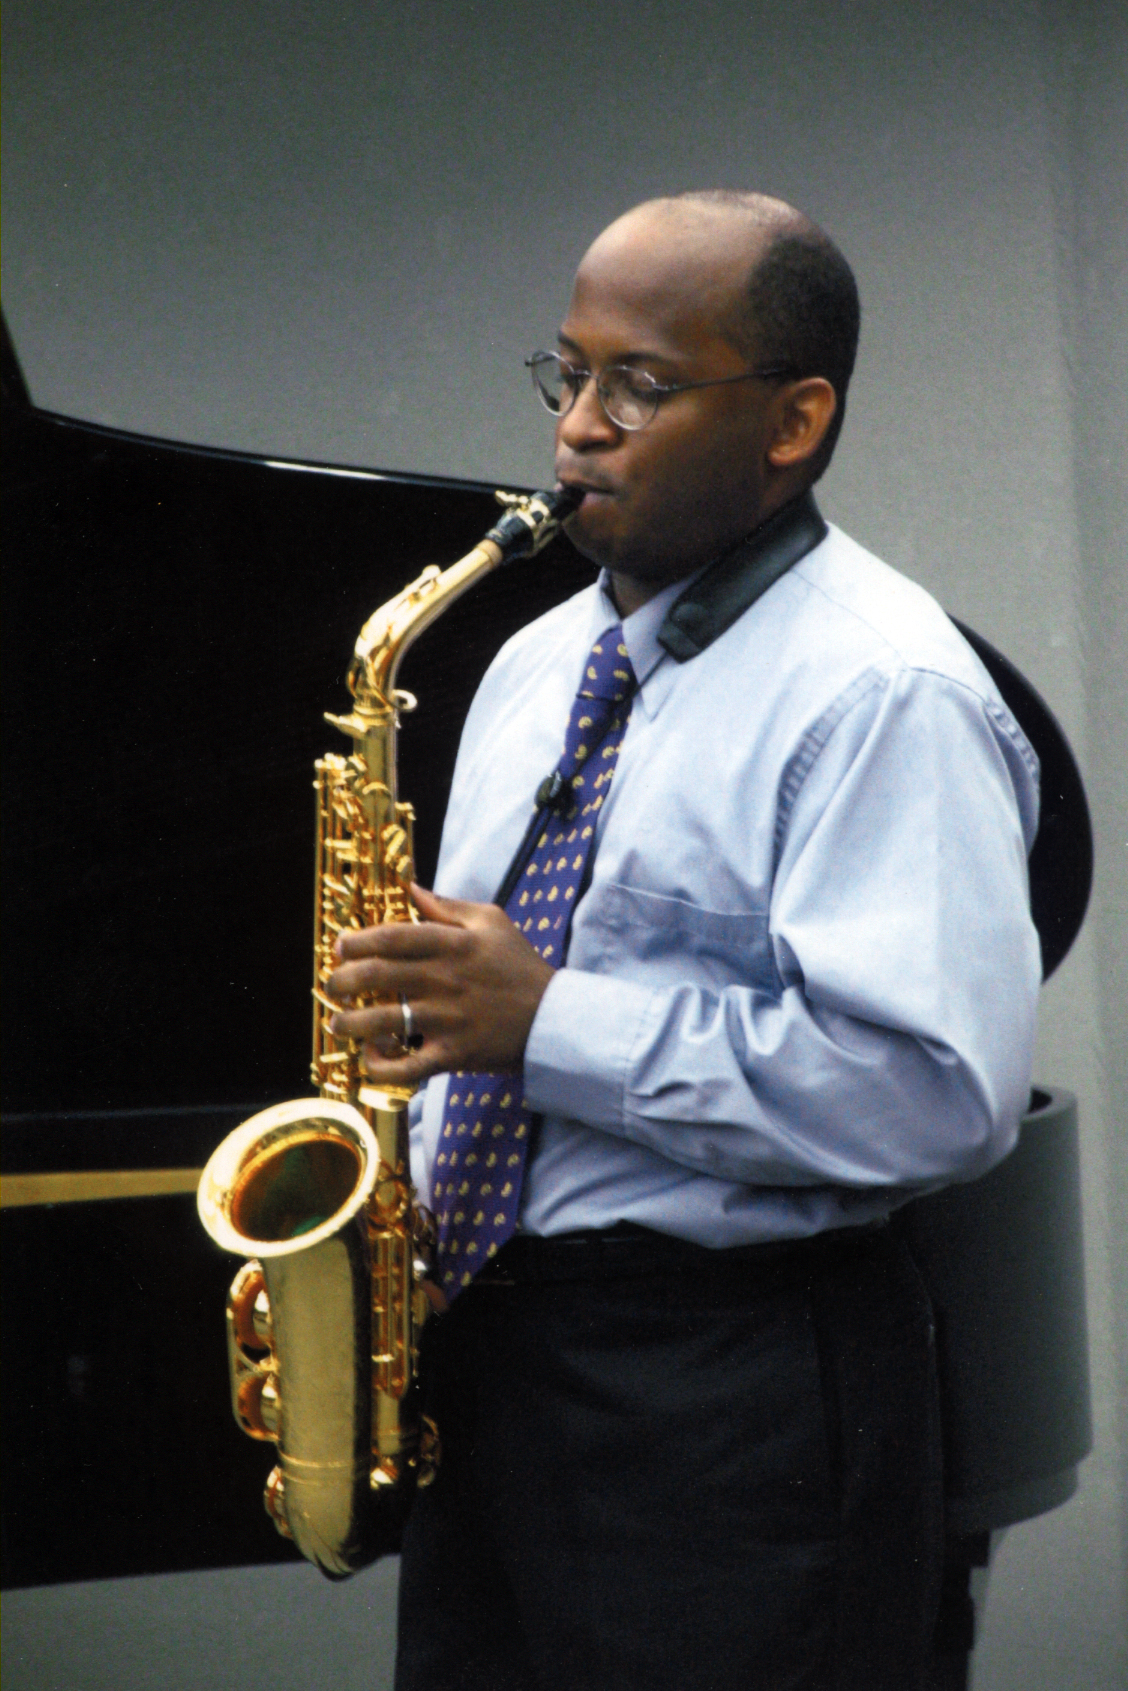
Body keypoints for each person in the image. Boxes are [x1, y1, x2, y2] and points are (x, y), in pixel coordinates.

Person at [328, 191, 1041, 1690]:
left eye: (637, 386)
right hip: (501, 1367)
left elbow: (934, 1096)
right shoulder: (530, 659)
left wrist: (544, 1024)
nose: (579, 427)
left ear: (794, 421)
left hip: (732, 1396)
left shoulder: (884, 693)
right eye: (567, 375)